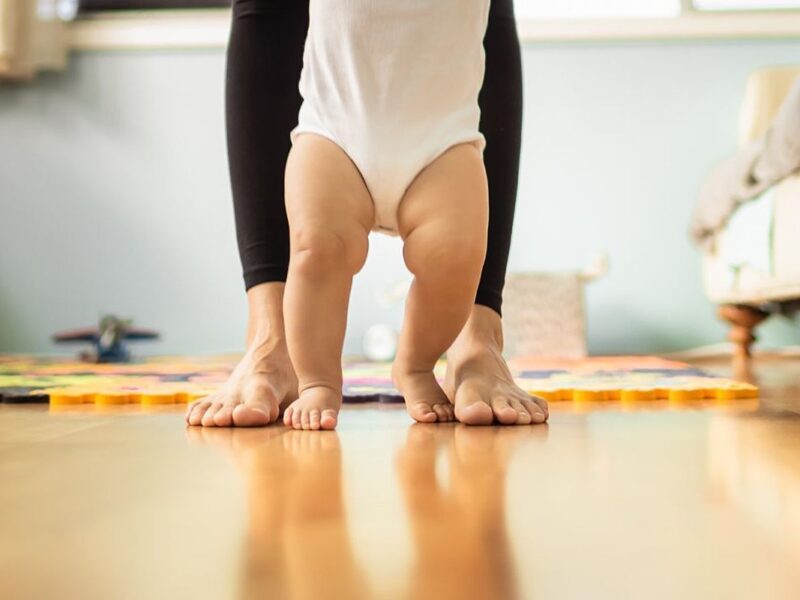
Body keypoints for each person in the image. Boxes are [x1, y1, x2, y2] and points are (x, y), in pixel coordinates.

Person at [186, 0, 548, 428]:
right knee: (317, 249)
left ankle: (415, 363)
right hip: (334, 134)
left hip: (442, 143)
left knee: (457, 254)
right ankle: (316, 379)